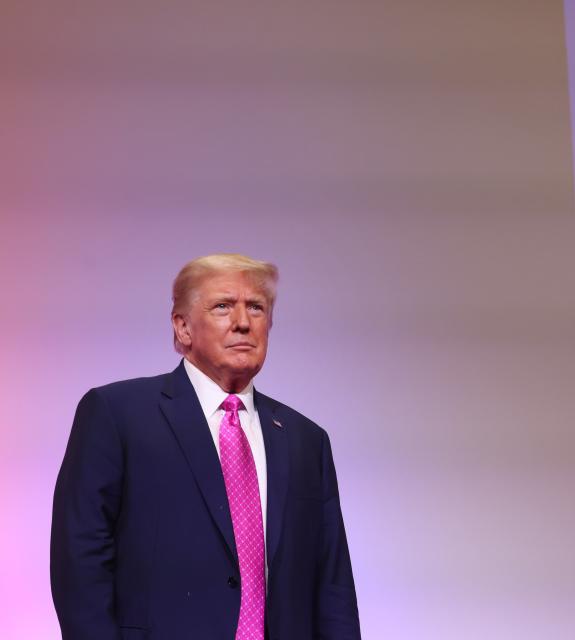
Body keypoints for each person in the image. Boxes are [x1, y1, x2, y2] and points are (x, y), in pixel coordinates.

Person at [51, 253, 361, 640]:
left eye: (256, 308)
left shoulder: (305, 439)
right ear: (182, 328)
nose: (244, 322)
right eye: (223, 306)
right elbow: (80, 562)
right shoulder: (117, 414)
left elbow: (332, 583)